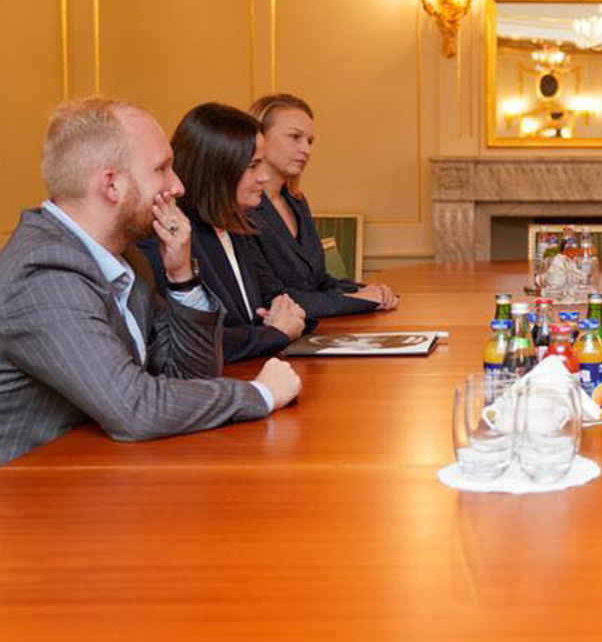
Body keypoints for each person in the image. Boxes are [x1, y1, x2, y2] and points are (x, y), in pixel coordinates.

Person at [0, 98, 301, 464]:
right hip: (32, 488)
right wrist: (260, 394)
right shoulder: (44, 272)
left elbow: (191, 377)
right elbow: (134, 408)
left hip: (100, 470)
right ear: (112, 185)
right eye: (162, 169)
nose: (178, 186)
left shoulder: (128, 259)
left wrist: (182, 276)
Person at [140, 103, 311, 363]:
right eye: (253, 166)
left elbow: (272, 299)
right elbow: (204, 340)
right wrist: (275, 333)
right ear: (217, 169)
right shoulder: (168, 238)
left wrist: (284, 309)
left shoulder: (236, 226)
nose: (263, 178)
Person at [246, 93, 398, 318]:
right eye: (295, 137)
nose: (306, 150)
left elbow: (319, 281)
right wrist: (359, 300)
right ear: (260, 138)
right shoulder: (243, 210)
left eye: (309, 141)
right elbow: (273, 299)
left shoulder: (296, 202)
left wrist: (368, 291)